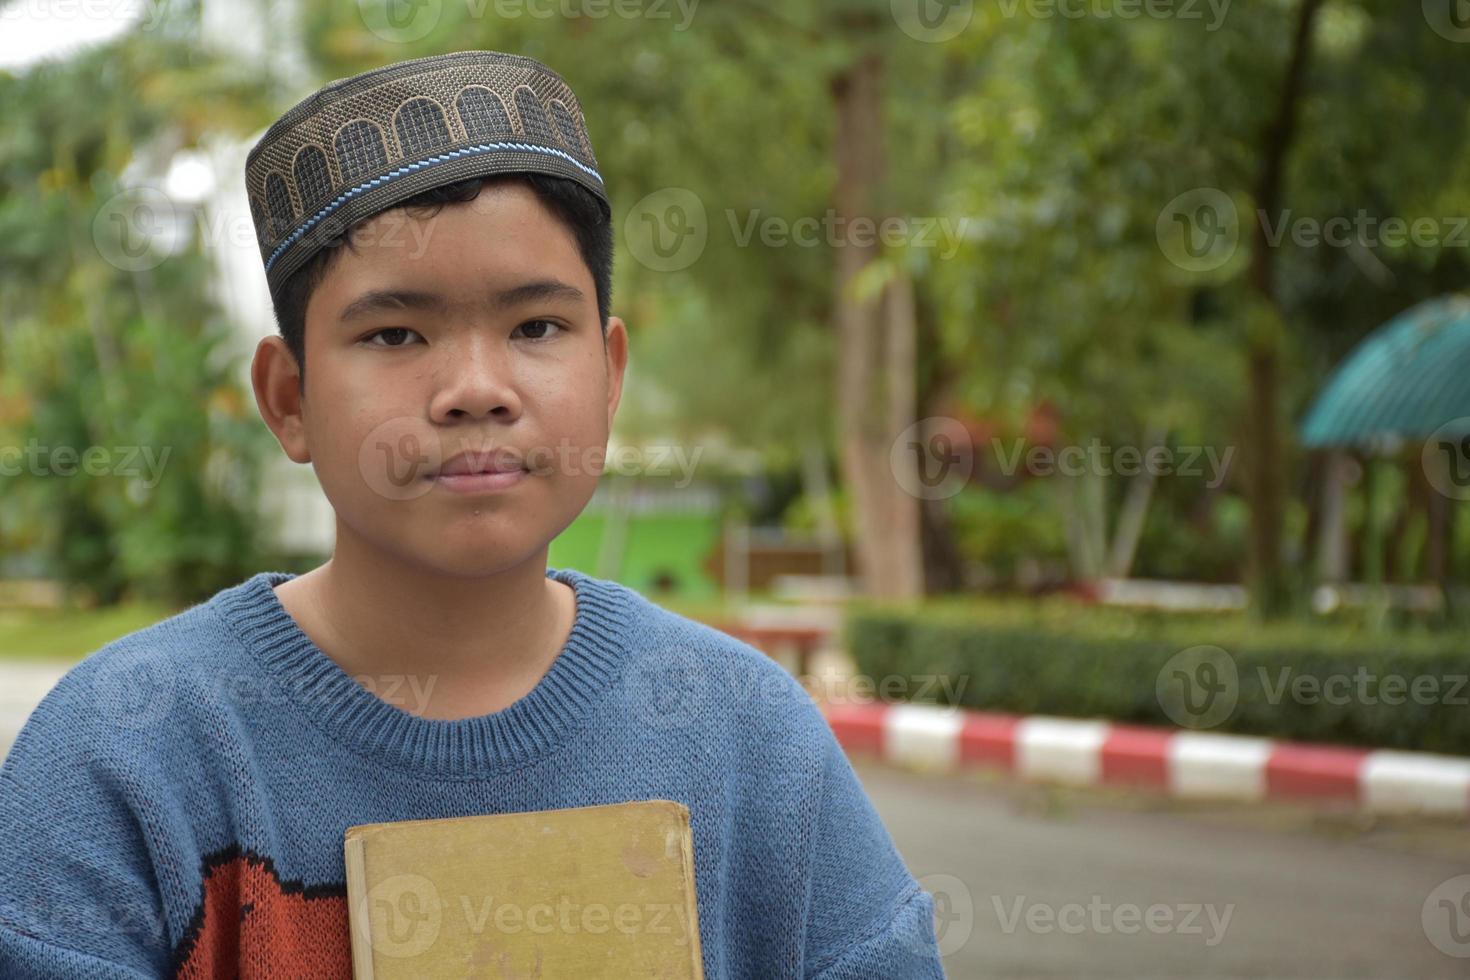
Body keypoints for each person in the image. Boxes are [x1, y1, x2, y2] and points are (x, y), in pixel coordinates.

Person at [0, 50, 944, 978]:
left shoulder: (746, 738)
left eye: (536, 327)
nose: (476, 390)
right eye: (396, 333)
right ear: (289, 399)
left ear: (610, 373)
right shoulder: (129, 754)